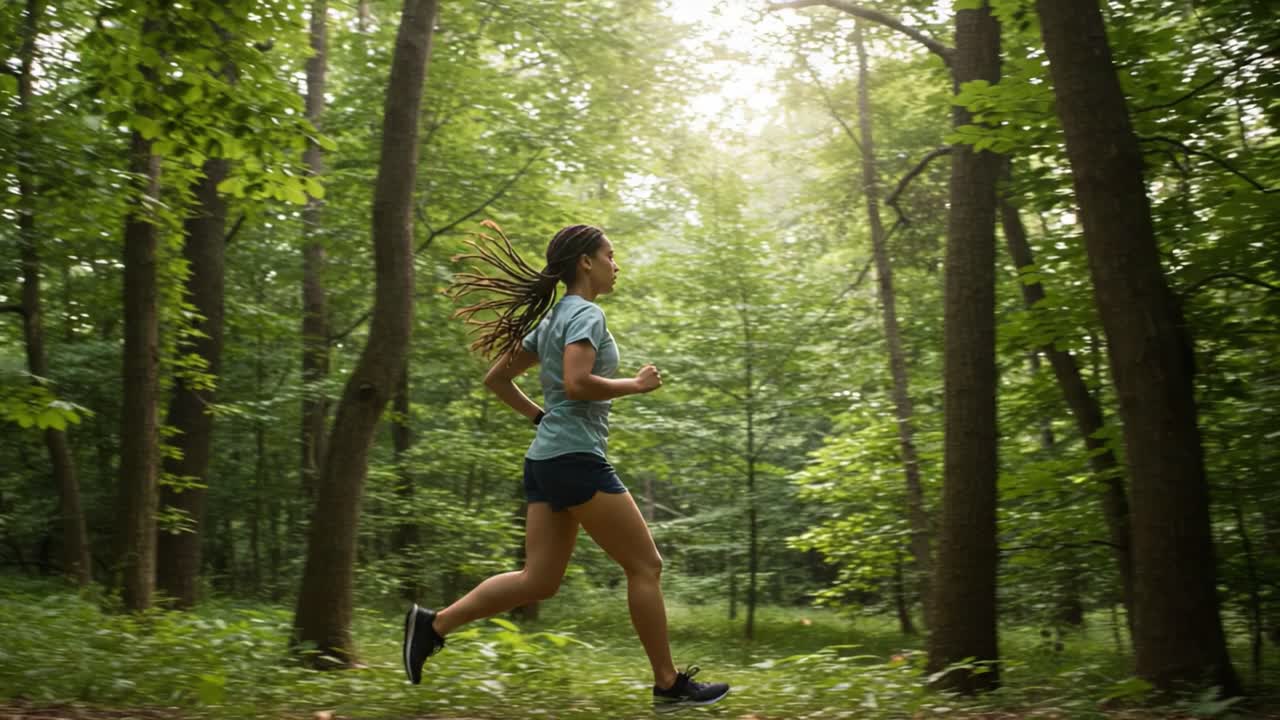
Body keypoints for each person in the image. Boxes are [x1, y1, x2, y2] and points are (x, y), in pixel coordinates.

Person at [401, 221, 730, 712]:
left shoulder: (554, 319)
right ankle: (667, 684)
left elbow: (498, 379)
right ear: (586, 263)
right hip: (575, 459)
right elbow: (577, 383)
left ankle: (433, 625)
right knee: (645, 566)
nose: (616, 265)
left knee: (539, 581)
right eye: (610, 256)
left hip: (547, 460)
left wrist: (540, 417)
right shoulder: (585, 315)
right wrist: (633, 386)